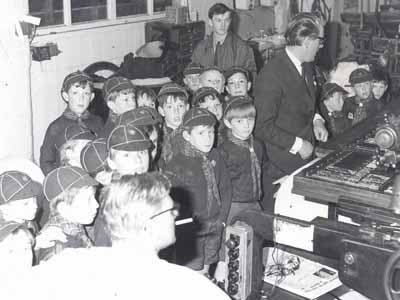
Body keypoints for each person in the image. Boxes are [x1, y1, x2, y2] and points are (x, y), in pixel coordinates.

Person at [2, 173, 231, 300]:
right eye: (171, 210)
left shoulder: (70, 261)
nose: (175, 215)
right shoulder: (188, 287)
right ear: (149, 225)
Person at [253, 14, 328, 213]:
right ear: (306, 41)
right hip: (280, 163)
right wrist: (298, 144)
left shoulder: (307, 64)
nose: (321, 46)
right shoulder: (272, 75)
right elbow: (261, 126)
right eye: (320, 40)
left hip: (304, 156)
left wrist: (317, 120)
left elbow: (306, 100)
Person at [165, 107, 232, 275]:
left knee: (208, 267)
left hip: (215, 224)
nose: (208, 138)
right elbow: (174, 203)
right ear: (187, 136)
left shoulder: (215, 156)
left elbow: (225, 188)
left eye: (211, 132)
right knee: (193, 273)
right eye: (201, 133)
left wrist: (222, 219)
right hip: (192, 230)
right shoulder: (177, 163)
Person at [93, 124, 152, 246]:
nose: (138, 160)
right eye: (127, 155)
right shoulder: (112, 203)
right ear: (111, 163)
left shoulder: (149, 190)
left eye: (142, 152)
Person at [40, 70, 103, 176]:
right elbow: (46, 162)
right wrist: (60, 180)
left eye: (86, 94)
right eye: (75, 93)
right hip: (68, 179)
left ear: (92, 97)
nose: (81, 99)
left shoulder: (97, 122)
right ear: (65, 96)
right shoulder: (56, 127)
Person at [36, 166, 99, 263]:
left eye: (94, 197)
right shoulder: (58, 249)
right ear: (63, 208)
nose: (97, 205)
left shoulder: (73, 227)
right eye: (88, 199)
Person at [191, 3, 257, 82]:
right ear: (210, 22)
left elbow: (251, 79)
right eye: (218, 20)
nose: (223, 25)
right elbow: (193, 74)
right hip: (206, 92)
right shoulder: (201, 47)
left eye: (226, 20)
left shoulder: (242, 48)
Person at [157, 83, 190, 166]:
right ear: (161, 111)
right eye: (170, 107)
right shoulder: (157, 137)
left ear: (187, 108)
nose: (176, 112)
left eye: (180, 106)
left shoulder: (194, 133)